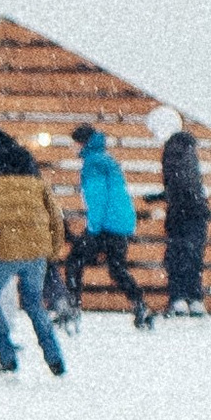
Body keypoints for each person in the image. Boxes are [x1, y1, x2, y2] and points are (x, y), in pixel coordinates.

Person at [0, 124, 67, 375]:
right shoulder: (30, 169)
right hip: (35, 249)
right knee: (34, 303)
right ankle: (54, 358)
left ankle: (7, 356)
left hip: (3, 249)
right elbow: (54, 212)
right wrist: (52, 249)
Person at [66, 126, 153, 329]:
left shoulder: (93, 163)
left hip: (106, 224)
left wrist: (92, 229)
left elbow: (98, 199)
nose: (71, 147)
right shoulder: (105, 159)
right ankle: (140, 305)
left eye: (74, 142)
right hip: (121, 223)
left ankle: (72, 309)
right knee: (116, 268)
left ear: (82, 143)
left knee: (74, 261)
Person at [150, 108, 208, 317]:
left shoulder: (172, 148)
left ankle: (179, 298)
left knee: (178, 256)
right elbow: (186, 181)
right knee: (192, 256)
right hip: (195, 211)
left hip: (183, 212)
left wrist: (170, 199)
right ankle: (194, 298)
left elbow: (179, 182)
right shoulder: (187, 147)